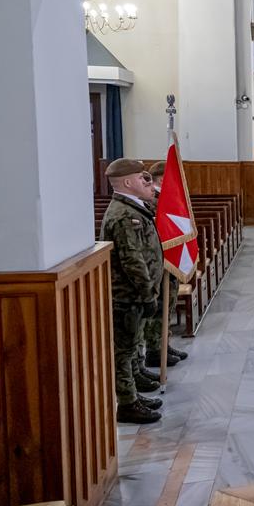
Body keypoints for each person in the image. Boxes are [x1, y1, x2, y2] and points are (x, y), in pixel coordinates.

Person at [99, 159, 165, 424]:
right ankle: (127, 403)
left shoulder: (132, 208)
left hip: (136, 294)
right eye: (141, 178)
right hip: (128, 295)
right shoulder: (124, 215)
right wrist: (147, 293)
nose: (147, 182)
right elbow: (132, 259)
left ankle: (134, 390)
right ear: (127, 182)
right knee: (123, 352)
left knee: (133, 343)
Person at [143, 162, 186, 368]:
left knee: (168, 304)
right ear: (162, 179)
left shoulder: (163, 198)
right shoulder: (153, 200)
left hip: (167, 260)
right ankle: (155, 350)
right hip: (158, 261)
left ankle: (164, 345)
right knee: (160, 307)